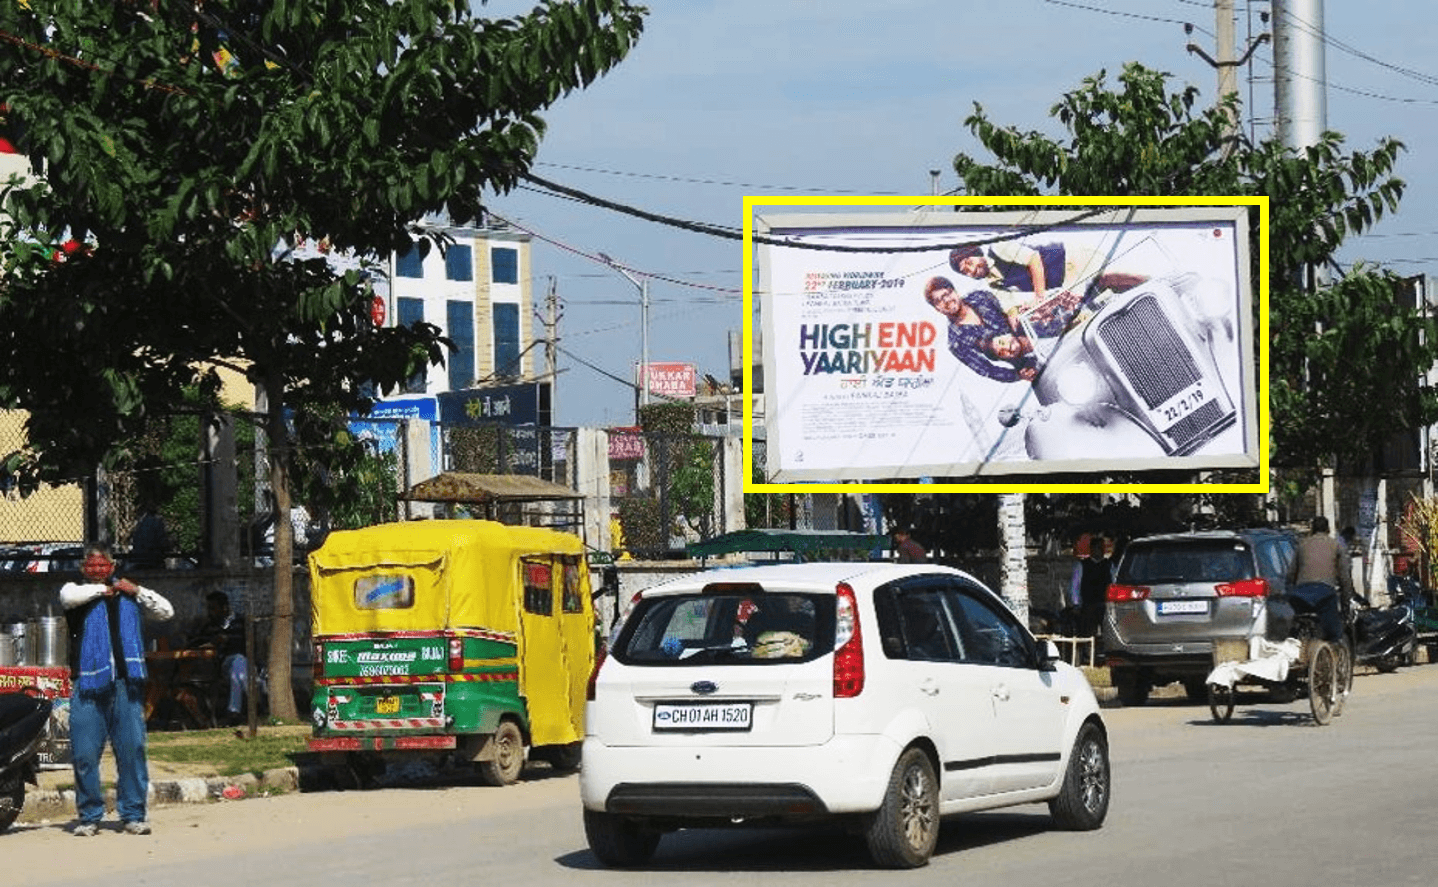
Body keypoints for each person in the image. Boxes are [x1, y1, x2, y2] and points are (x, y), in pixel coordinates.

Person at [60, 543, 174, 836]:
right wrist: (104, 590)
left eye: (103, 566)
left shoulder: (129, 594)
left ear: (112, 567)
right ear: (84, 569)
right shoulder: (77, 593)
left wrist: (135, 590)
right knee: (85, 754)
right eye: (92, 566)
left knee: (132, 750)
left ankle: (133, 814)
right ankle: (89, 816)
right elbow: (68, 596)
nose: (98, 571)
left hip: (126, 684)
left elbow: (166, 611)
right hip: (87, 685)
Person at [924, 276, 1048, 383]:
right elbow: (986, 370)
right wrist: (1018, 375)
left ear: (955, 291)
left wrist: (1015, 311)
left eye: (947, 294)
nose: (946, 300)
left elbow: (1010, 306)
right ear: (937, 309)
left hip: (1041, 330)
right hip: (1031, 362)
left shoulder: (980, 296)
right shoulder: (956, 343)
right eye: (938, 301)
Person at [188, 591, 247, 726]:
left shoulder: (241, 622)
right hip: (221, 666)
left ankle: (234, 712)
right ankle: (238, 711)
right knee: (238, 668)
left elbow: (246, 644)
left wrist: (227, 640)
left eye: (213, 608)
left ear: (224, 608)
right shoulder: (209, 626)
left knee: (239, 664)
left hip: (244, 663)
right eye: (209, 608)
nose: (210, 612)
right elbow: (196, 642)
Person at [1289, 516, 1351, 643]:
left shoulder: (1302, 545)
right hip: (1325, 593)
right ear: (1328, 529)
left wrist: (1289, 593)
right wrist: (1346, 607)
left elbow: (1290, 575)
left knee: (1294, 630)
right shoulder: (1336, 546)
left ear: (1312, 529)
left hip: (1300, 594)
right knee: (1335, 633)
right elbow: (1345, 579)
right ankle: (1333, 653)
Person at [1074, 533, 1111, 637]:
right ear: (1092, 549)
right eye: (1098, 547)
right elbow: (1075, 586)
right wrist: (1076, 604)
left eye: (1102, 548)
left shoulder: (1109, 565)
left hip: (1105, 605)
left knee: (1107, 633)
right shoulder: (1082, 565)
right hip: (1088, 605)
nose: (1100, 550)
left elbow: (1113, 583)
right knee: (1088, 633)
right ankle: (1088, 652)